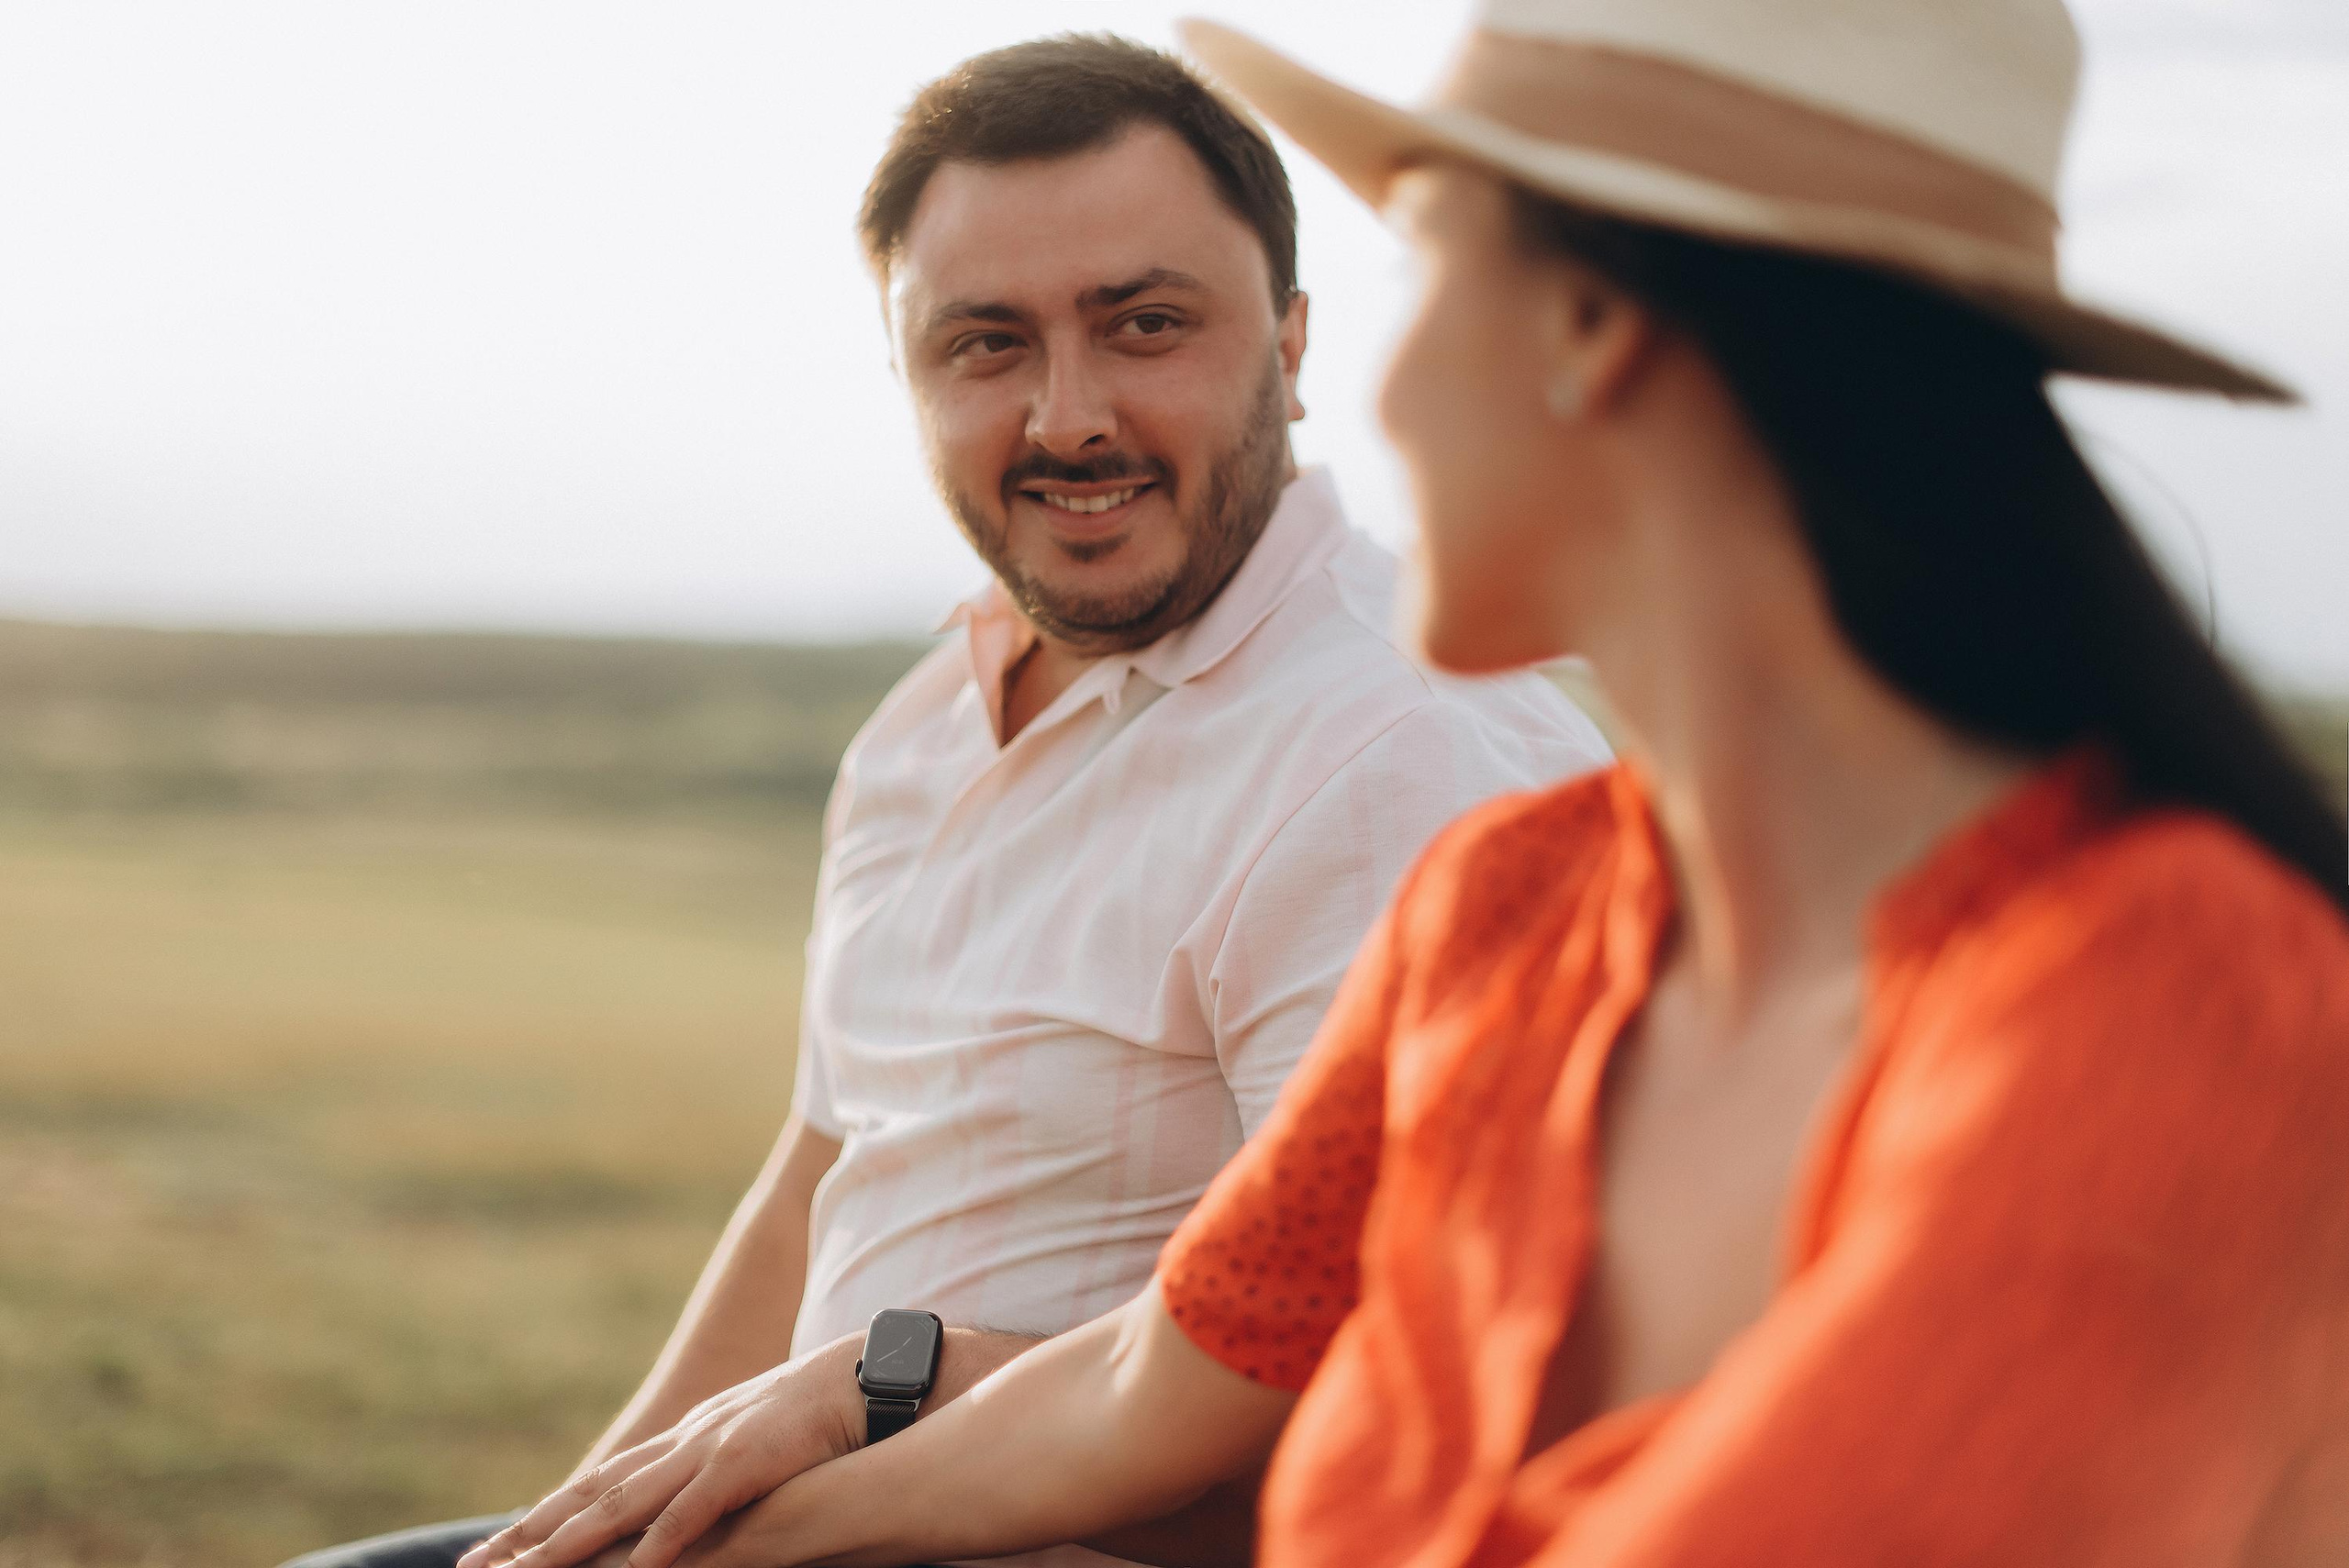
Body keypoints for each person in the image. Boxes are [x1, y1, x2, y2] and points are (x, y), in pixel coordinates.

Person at [459, 0, 2349, 1565]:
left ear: (1589, 331)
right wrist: (706, 1525)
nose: (1365, 384)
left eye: (1416, 253)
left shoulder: (2171, 1001)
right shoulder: (1513, 919)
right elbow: (1152, 1385)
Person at [284, 32, 1609, 1568]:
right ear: (909, 376)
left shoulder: (1397, 753)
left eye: (1146, 325)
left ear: (1294, 350)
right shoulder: (924, 727)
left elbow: (1409, 1438)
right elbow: (816, 1188)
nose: (1068, 417)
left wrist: (880, 1419)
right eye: (986, 343)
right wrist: (575, 1534)